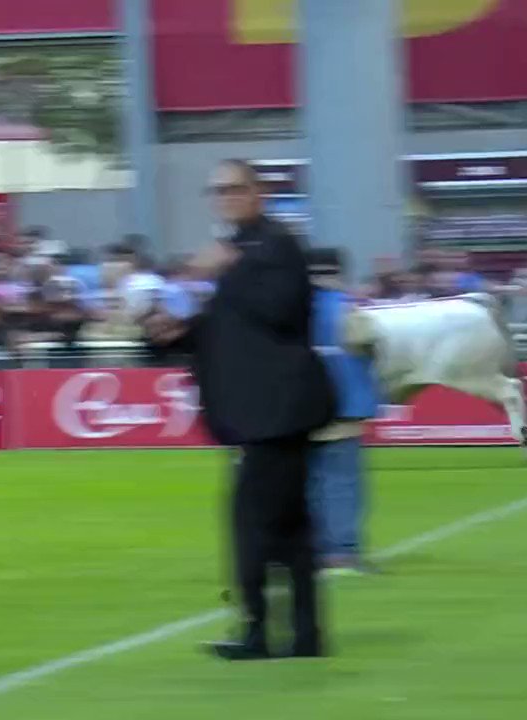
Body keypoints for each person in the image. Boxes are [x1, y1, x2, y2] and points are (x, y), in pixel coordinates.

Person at [144, 159, 335, 661]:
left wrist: (223, 270)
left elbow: (280, 309)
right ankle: (305, 634)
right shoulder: (239, 253)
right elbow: (221, 330)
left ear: (258, 192)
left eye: (234, 188)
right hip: (266, 410)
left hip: (277, 409)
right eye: (217, 190)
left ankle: (255, 630)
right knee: (291, 527)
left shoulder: (274, 244)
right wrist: (167, 334)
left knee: (250, 521)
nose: (225, 197)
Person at [305, 248, 380, 575]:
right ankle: (341, 551)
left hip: (299, 410)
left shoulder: (288, 309)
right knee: (341, 482)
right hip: (343, 408)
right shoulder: (348, 309)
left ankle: (314, 550)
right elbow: (369, 340)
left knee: (309, 483)